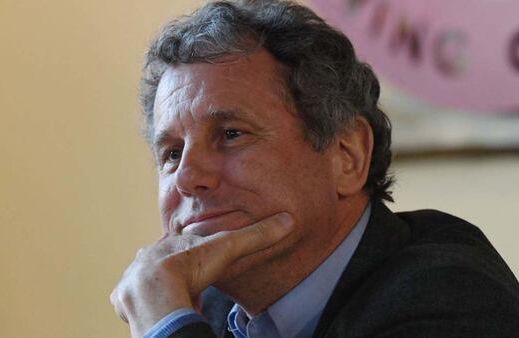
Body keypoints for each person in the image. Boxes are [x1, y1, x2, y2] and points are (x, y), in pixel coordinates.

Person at [110, 1, 519, 337]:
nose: (187, 177)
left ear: (348, 156)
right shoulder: (212, 307)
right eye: (171, 153)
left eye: (231, 134)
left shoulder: (449, 300)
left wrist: (165, 325)